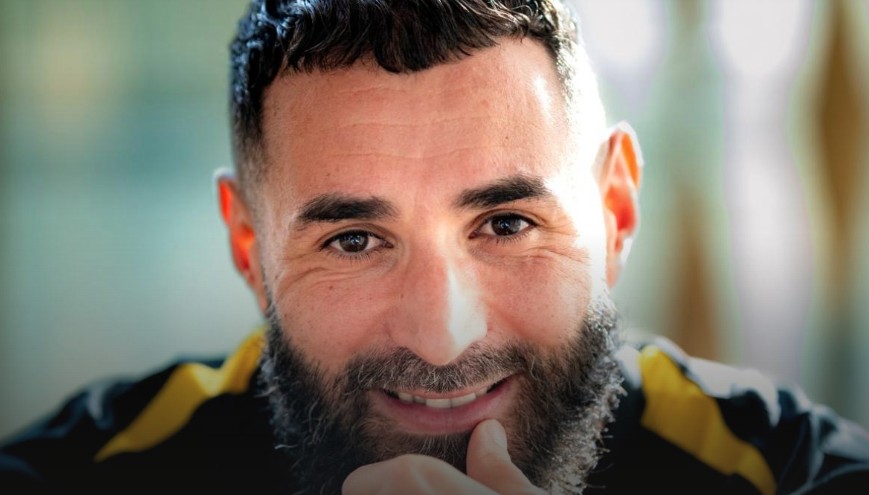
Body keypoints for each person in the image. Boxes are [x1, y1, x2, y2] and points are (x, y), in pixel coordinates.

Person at [2, 0, 868, 493]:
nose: (443, 338)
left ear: (613, 211)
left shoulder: (791, 472)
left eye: (506, 224)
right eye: (353, 240)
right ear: (248, 245)